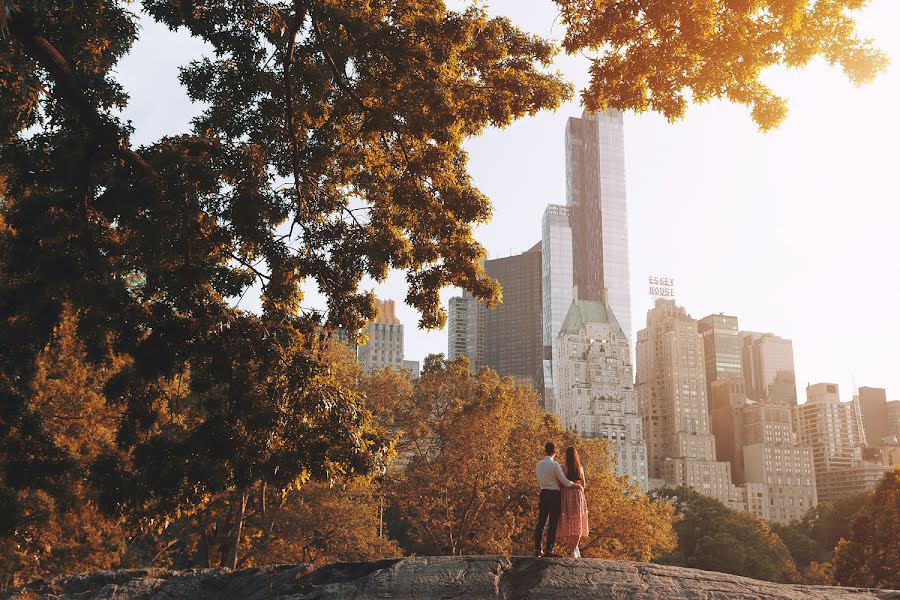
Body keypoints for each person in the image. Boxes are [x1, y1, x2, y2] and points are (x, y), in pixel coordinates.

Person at [534, 441, 582, 557]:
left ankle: (538, 549)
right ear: (555, 452)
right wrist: (578, 486)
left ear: (545, 451)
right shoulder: (555, 465)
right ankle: (549, 550)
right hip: (554, 494)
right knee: (553, 523)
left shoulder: (538, 465)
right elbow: (565, 482)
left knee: (541, 522)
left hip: (543, 493)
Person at [557, 446, 589, 558]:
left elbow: (560, 483)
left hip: (566, 496)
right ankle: (574, 548)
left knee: (568, 521)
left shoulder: (562, 467)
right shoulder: (580, 468)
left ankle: (572, 548)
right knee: (578, 522)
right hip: (578, 495)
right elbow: (583, 485)